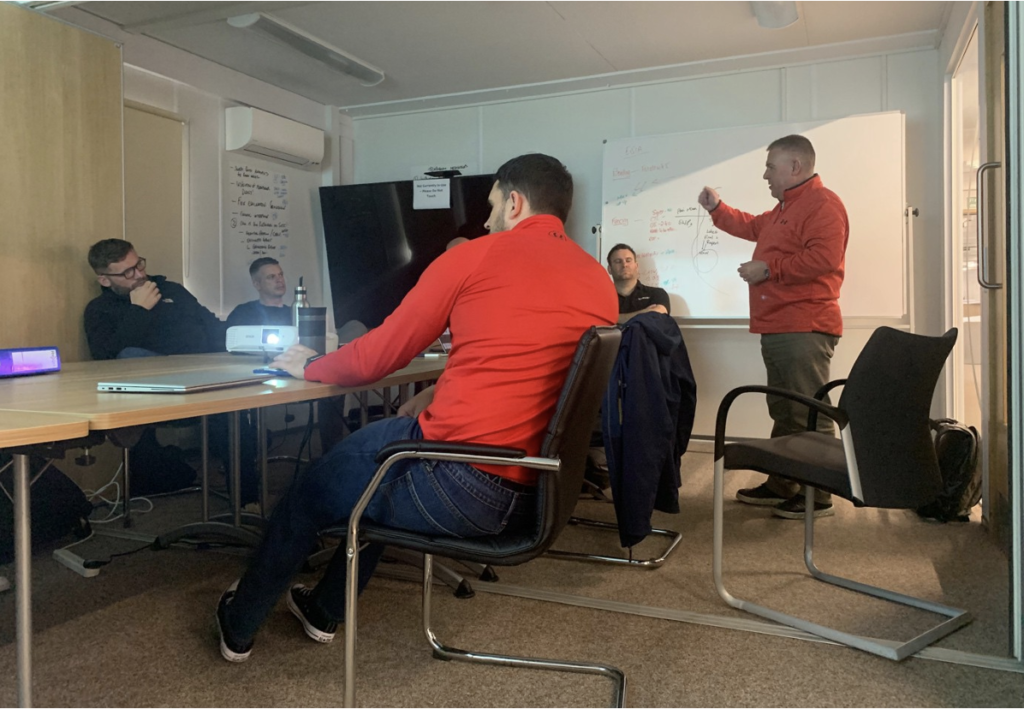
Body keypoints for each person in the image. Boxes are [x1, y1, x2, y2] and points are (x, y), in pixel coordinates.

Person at [215, 153, 618, 662]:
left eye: (492, 206)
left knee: (314, 486)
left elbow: (377, 356)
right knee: (384, 453)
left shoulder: (475, 256)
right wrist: (438, 391)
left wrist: (312, 363)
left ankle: (240, 622)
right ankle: (322, 610)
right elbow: (525, 364)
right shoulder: (597, 278)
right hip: (537, 488)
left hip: (459, 484)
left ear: (515, 202)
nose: (487, 221)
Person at [697, 134, 849, 520]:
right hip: (781, 326)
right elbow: (749, 225)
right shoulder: (784, 208)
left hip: (804, 326)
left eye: (770, 166)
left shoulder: (823, 204)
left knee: (807, 411)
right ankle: (785, 482)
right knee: (784, 408)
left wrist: (770, 269)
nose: (765, 175)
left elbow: (825, 259)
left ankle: (819, 496)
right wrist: (717, 208)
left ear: (794, 167)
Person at [84, 240, 227, 360]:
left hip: (202, 362)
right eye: (128, 272)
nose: (139, 275)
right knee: (130, 354)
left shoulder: (171, 290)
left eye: (139, 264)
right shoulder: (99, 309)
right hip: (154, 373)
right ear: (105, 281)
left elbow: (211, 325)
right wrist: (139, 311)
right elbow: (105, 358)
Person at [607, 243, 671, 323]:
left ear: (636, 266)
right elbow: (598, 320)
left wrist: (616, 318)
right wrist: (645, 312)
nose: (624, 265)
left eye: (628, 260)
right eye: (618, 261)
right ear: (609, 269)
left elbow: (660, 312)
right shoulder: (602, 298)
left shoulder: (656, 294)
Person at [226, 257, 293, 328]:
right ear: (257, 284)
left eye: (280, 275)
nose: (279, 280)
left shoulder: (294, 314)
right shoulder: (243, 313)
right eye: (271, 277)